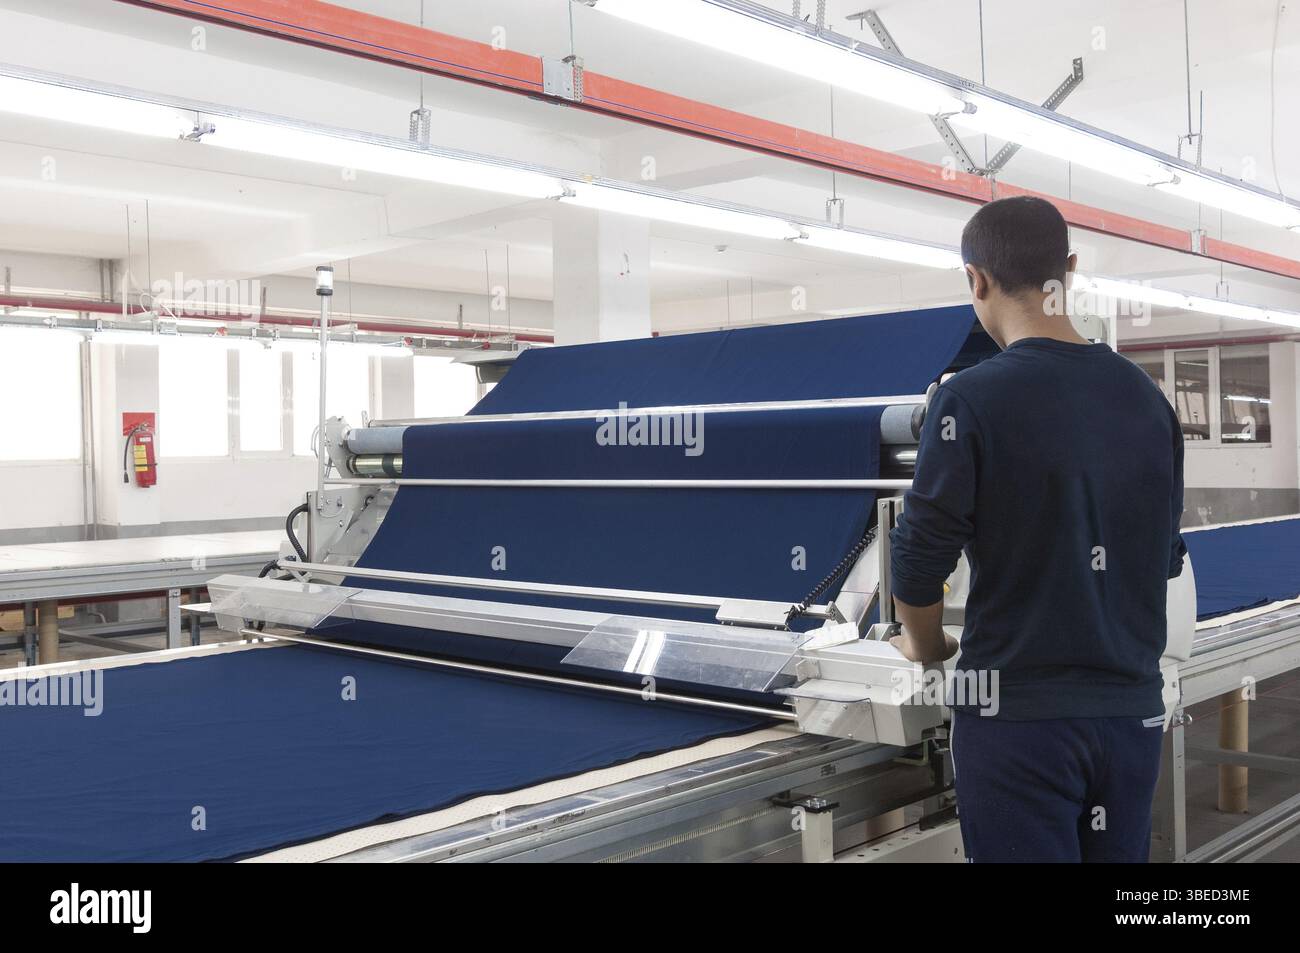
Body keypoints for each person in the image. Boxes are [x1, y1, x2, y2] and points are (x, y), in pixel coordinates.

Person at [887, 195, 1186, 863]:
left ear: (977, 280)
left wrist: (927, 645)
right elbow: (1164, 558)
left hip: (1017, 721)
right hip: (1131, 715)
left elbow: (915, 562)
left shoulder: (967, 398)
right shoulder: (1147, 400)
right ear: (1069, 269)